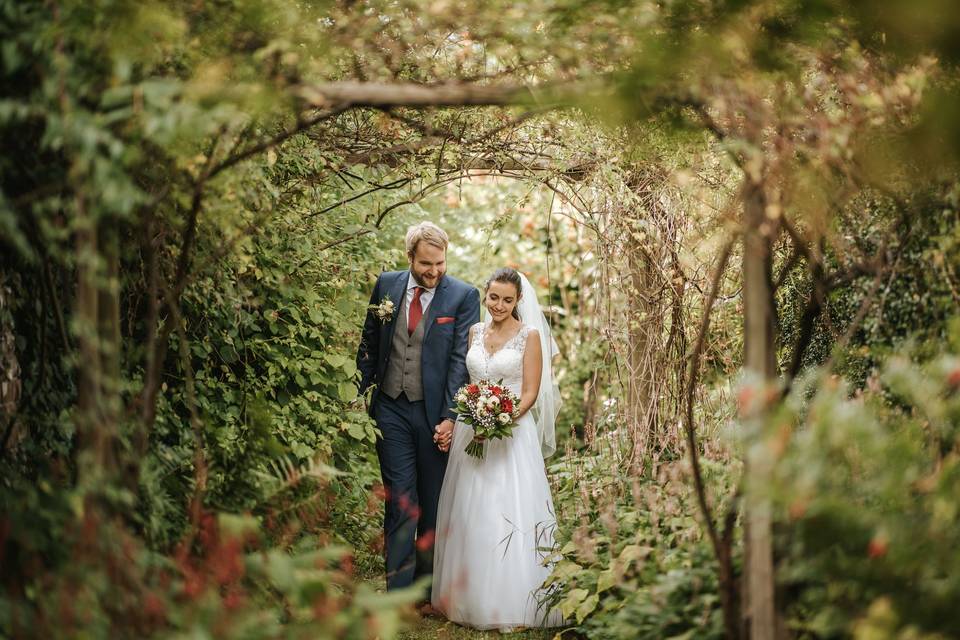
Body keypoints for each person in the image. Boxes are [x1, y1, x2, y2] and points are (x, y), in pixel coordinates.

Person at [431, 267, 564, 631]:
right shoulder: (475, 331)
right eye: (494, 298)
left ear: (519, 300)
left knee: (504, 509)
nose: (500, 305)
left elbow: (531, 393)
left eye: (508, 299)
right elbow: (467, 380)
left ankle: (509, 602)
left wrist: (497, 422)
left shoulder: (529, 336)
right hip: (469, 432)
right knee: (468, 508)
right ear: (485, 295)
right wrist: (472, 419)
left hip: (509, 434)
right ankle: (464, 596)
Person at [356, 222, 480, 608]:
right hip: (390, 408)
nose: (433, 271)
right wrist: (358, 394)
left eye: (440, 263)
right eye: (426, 263)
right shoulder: (387, 285)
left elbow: (461, 361)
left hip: (433, 415)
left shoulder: (462, 296)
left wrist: (450, 416)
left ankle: (425, 593)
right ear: (409, 257)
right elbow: (370, 342)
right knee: (401, 500)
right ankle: (399, 593)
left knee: (431, 504)